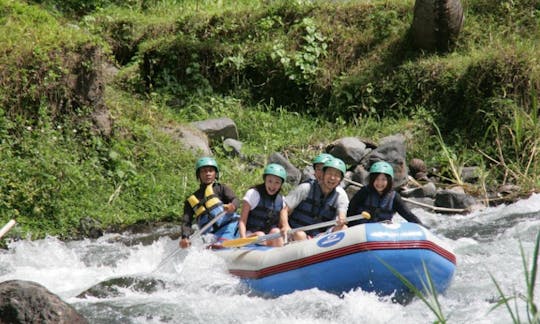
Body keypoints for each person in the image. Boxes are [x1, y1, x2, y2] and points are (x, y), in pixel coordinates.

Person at [282, 157, 349, 241]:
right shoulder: (306, 188)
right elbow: (284, 210)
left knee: (343, 228)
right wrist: (285, 226)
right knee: (300, 235)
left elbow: (342, 214)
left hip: (319, 237)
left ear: (340, 180)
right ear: (323, 174)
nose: (332, 178)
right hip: (297, 232)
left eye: (336, 175)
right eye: (330, 173)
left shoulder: (340, 195)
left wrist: (341, 218)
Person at [179, 157, 240, 248]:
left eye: (210, 171)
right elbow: (186, 222)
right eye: (204, 171)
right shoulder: (191, 200)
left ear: (215, 173)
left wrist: (233, 206)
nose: (207, 174)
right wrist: (185, 237)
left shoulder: (221, 188)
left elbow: (235, 199)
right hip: (210, 236)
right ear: (198, 175)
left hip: (229, 227)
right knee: (214, 244)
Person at [347, 161, 423, 226]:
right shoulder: (364, 192)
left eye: (383, 179)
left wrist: (421, 227)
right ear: (372, 180)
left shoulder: (394, 197)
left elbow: (408, 215)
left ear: (389, 181)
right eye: (376, 179)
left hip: (382, 231)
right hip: (362, 230)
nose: (380, 183)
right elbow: (351, 210)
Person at [238, 163, 288, 247]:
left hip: (268, 235)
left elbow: (281, 225)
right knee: (260, 235)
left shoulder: (281, 200)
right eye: (270, 181)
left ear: (281, 184)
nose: (273, 185)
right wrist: (243, 239)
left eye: (277, 182)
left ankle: (279, 255)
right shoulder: (253, 194)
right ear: (265, 180)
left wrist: (284, 230)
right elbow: (242, 221)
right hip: (251, 234)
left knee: (276, 231)